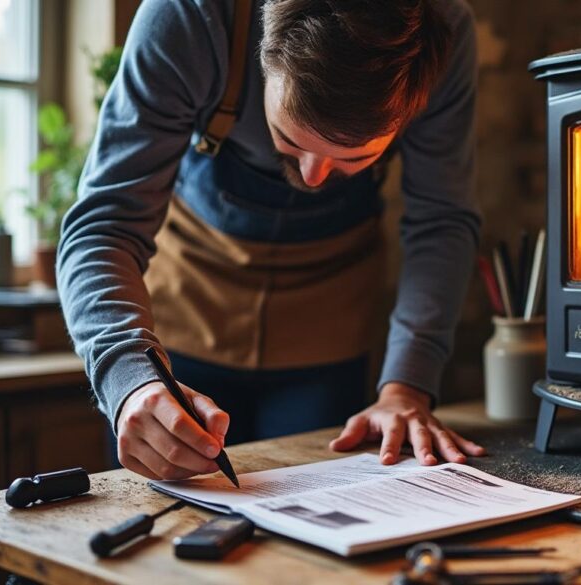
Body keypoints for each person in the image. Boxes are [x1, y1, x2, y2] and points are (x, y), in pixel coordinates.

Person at [58, 0, 484, 481]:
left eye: (352, 158)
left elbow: (439, 221)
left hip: (328, 326)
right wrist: (130, 378)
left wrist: (407, 387)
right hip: (185, 312)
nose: (313, 177)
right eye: (290, 140)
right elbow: (106, 223)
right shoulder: (191, 16)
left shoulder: (443, 31)